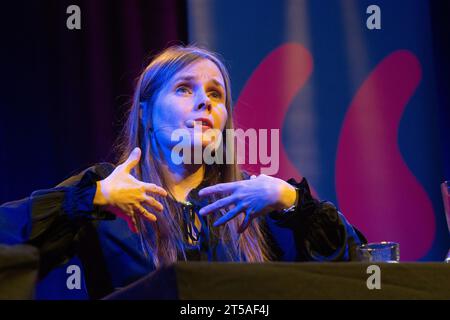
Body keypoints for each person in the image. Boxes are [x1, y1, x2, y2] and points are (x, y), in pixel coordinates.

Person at [0, 45, 366, 298]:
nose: (205, 102)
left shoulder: (252, 201)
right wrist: (92, 198)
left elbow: (360, 271)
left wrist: (291, 202)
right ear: (145, 112)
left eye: (216, 94)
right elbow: (8, 240)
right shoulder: (106, 191)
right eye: (183, 89)